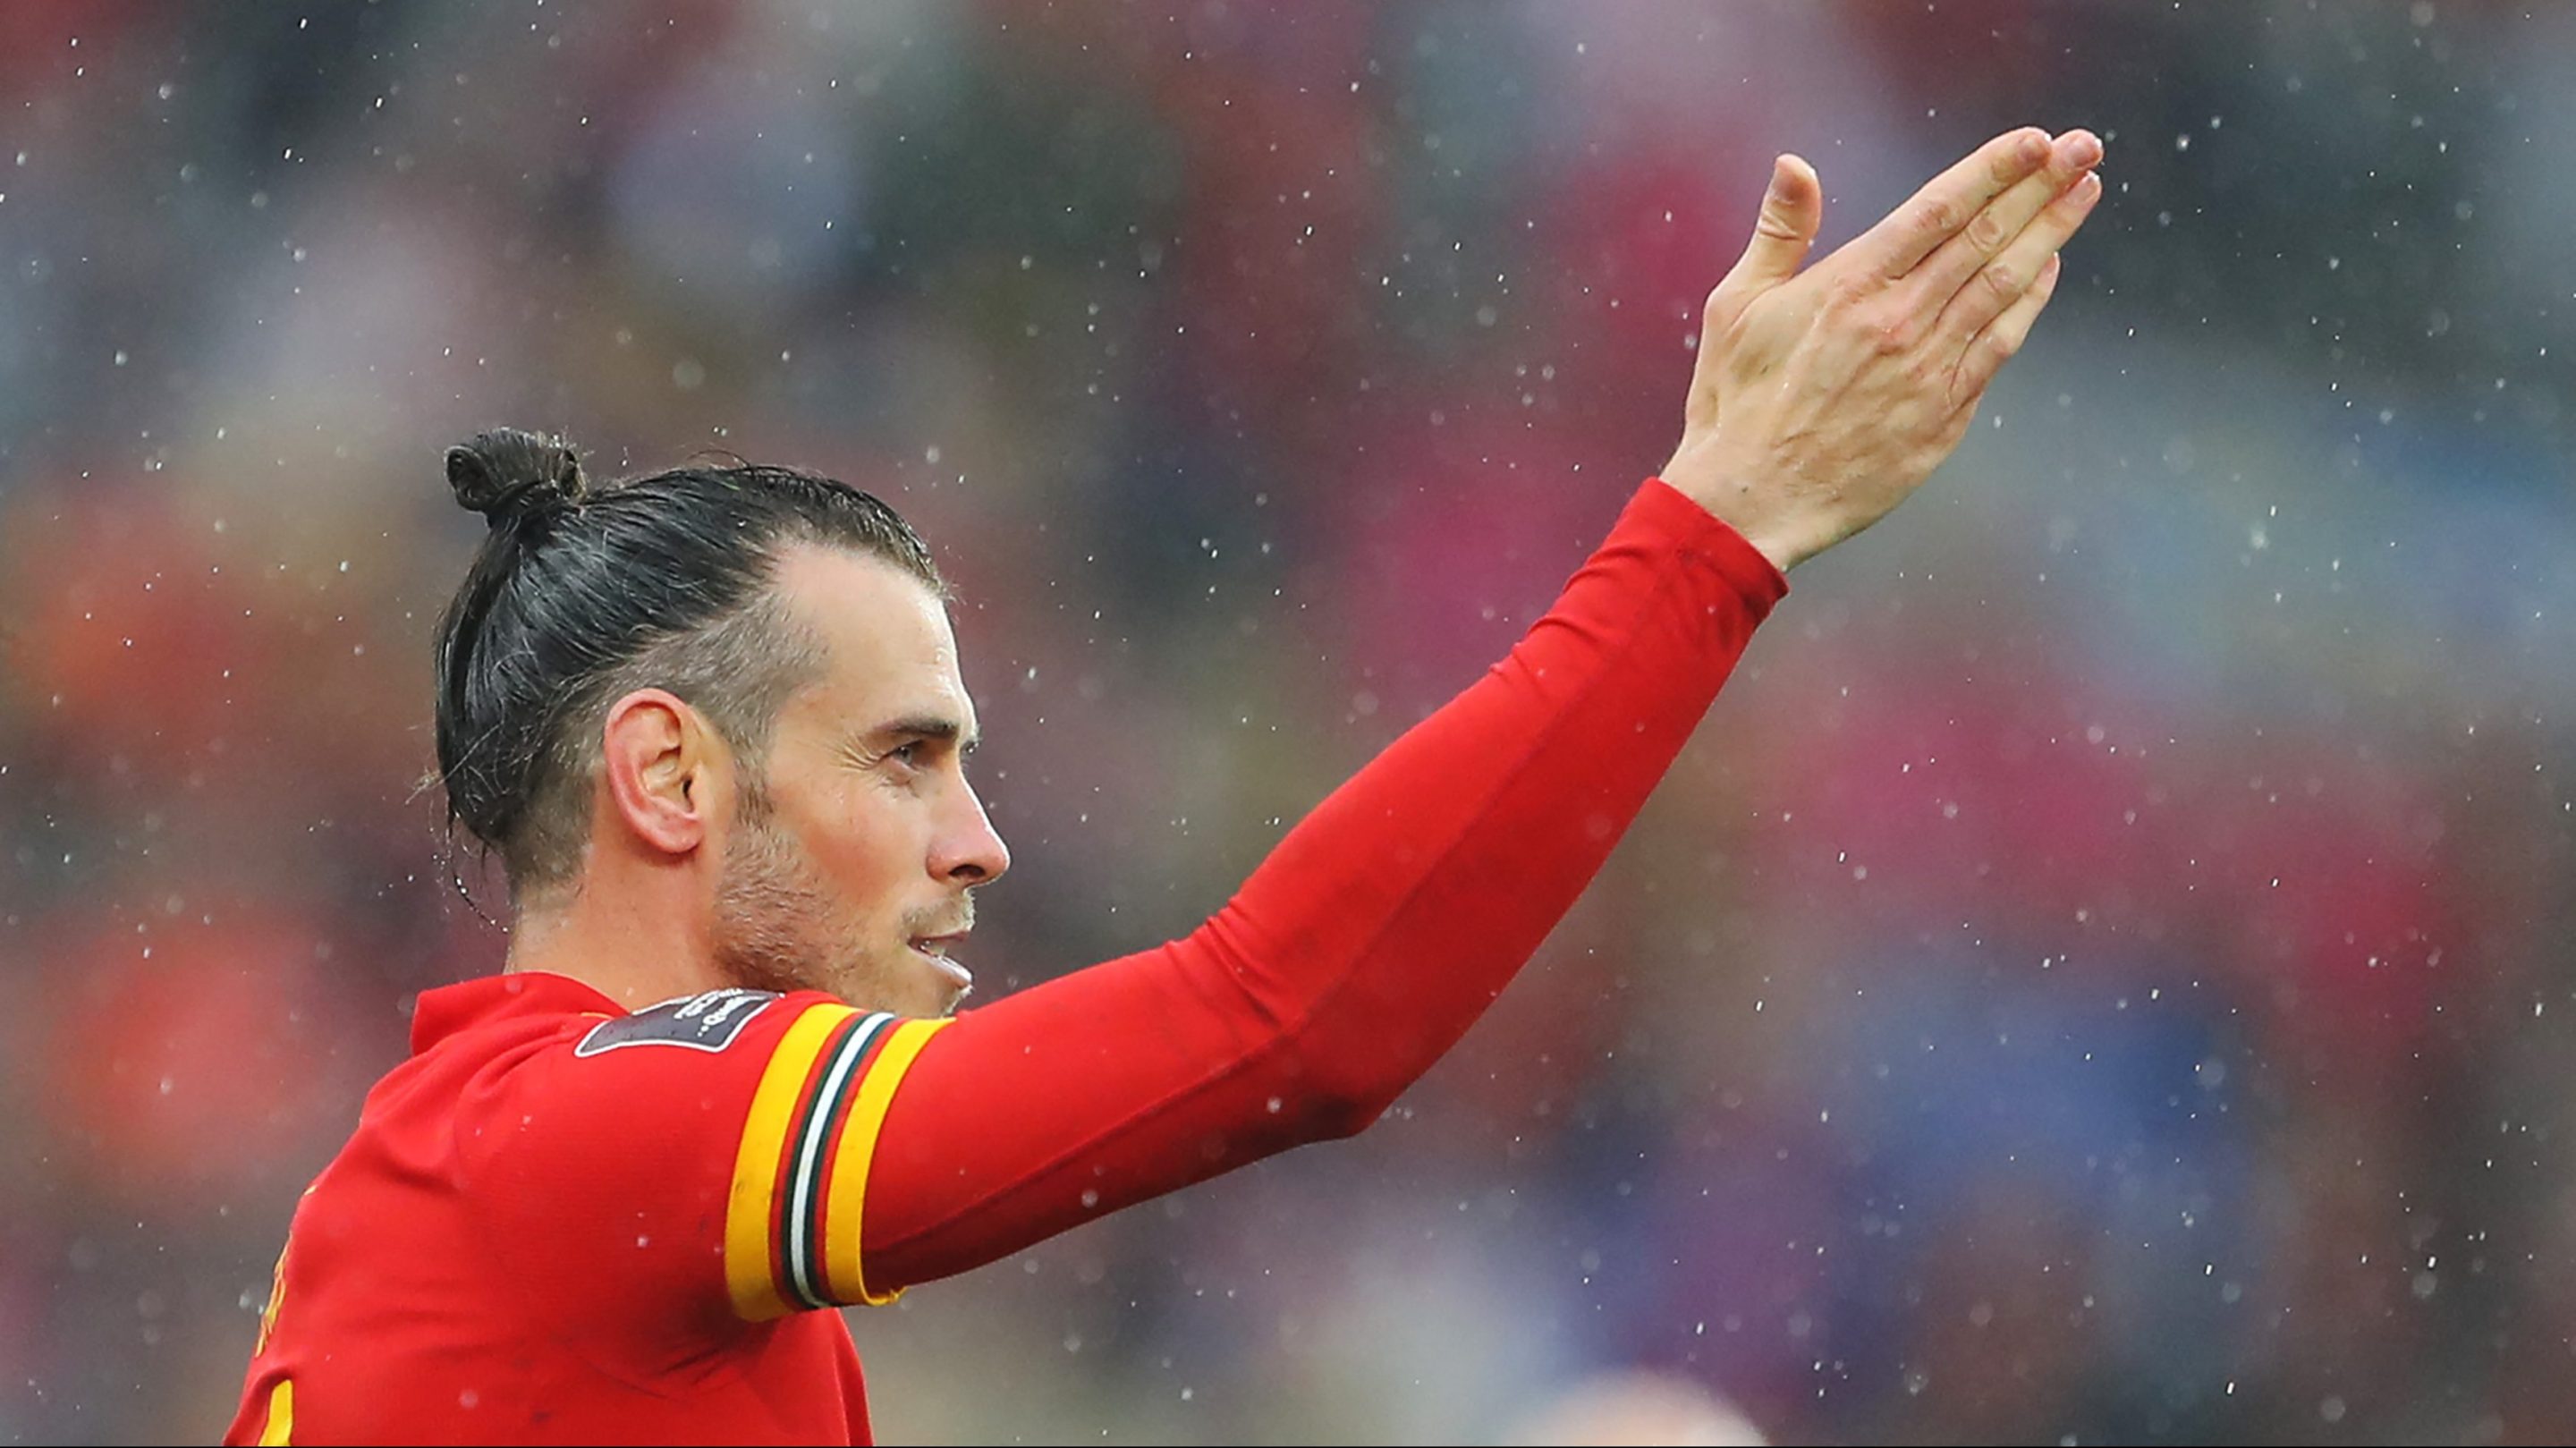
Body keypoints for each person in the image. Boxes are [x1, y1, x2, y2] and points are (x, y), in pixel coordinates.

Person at [225, 125, 2104, 1445]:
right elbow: (1293, 1022)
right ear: (666, 775)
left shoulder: (520, 1215)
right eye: (906, 757)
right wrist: (1721, 530)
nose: (981, 841)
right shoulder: (583, 1139)